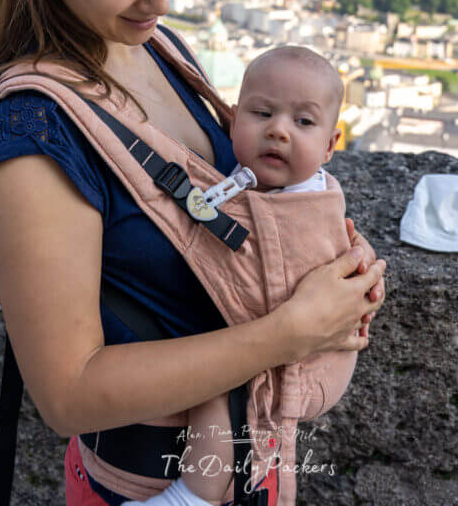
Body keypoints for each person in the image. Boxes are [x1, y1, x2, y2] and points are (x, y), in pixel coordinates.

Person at [0, 0, 386, 506]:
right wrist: (290, 333)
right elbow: (67, 394)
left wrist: (330, 270)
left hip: (249, 465)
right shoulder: (34, 131)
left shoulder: (158, 48)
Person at [121, 45, 354, 506]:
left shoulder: (310, 205)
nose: (278, 130)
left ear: (330, 145)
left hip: (311, 361)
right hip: (290, 340)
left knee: (214, 382)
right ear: (232, 120)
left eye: (303, 122)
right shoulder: (243, 180)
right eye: (262, 113)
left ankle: (192, 496)